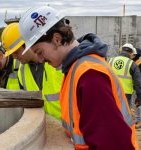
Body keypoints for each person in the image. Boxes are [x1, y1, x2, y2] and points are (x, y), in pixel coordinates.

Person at [19, 6, 138, 149]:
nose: (39, 59)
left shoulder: (89, 75)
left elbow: (112, 143)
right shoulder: (75, 69)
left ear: (57, 39)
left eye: (39, 51)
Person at [1, 22, 63, 119]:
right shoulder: (21, 71)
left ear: (27, 44)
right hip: (44, 128)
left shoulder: (56, 61)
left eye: (16, 52)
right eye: (12, 54)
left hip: (70, 129)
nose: (14, 57)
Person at [108, 43, 141, 108]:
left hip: (111, 91)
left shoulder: (110, 61)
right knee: (124, 113)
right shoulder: (131, 63)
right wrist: (139, 96)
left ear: (121, 50)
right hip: (126, 94)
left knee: (112, 111)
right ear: (131, 52)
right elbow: (138, 82)